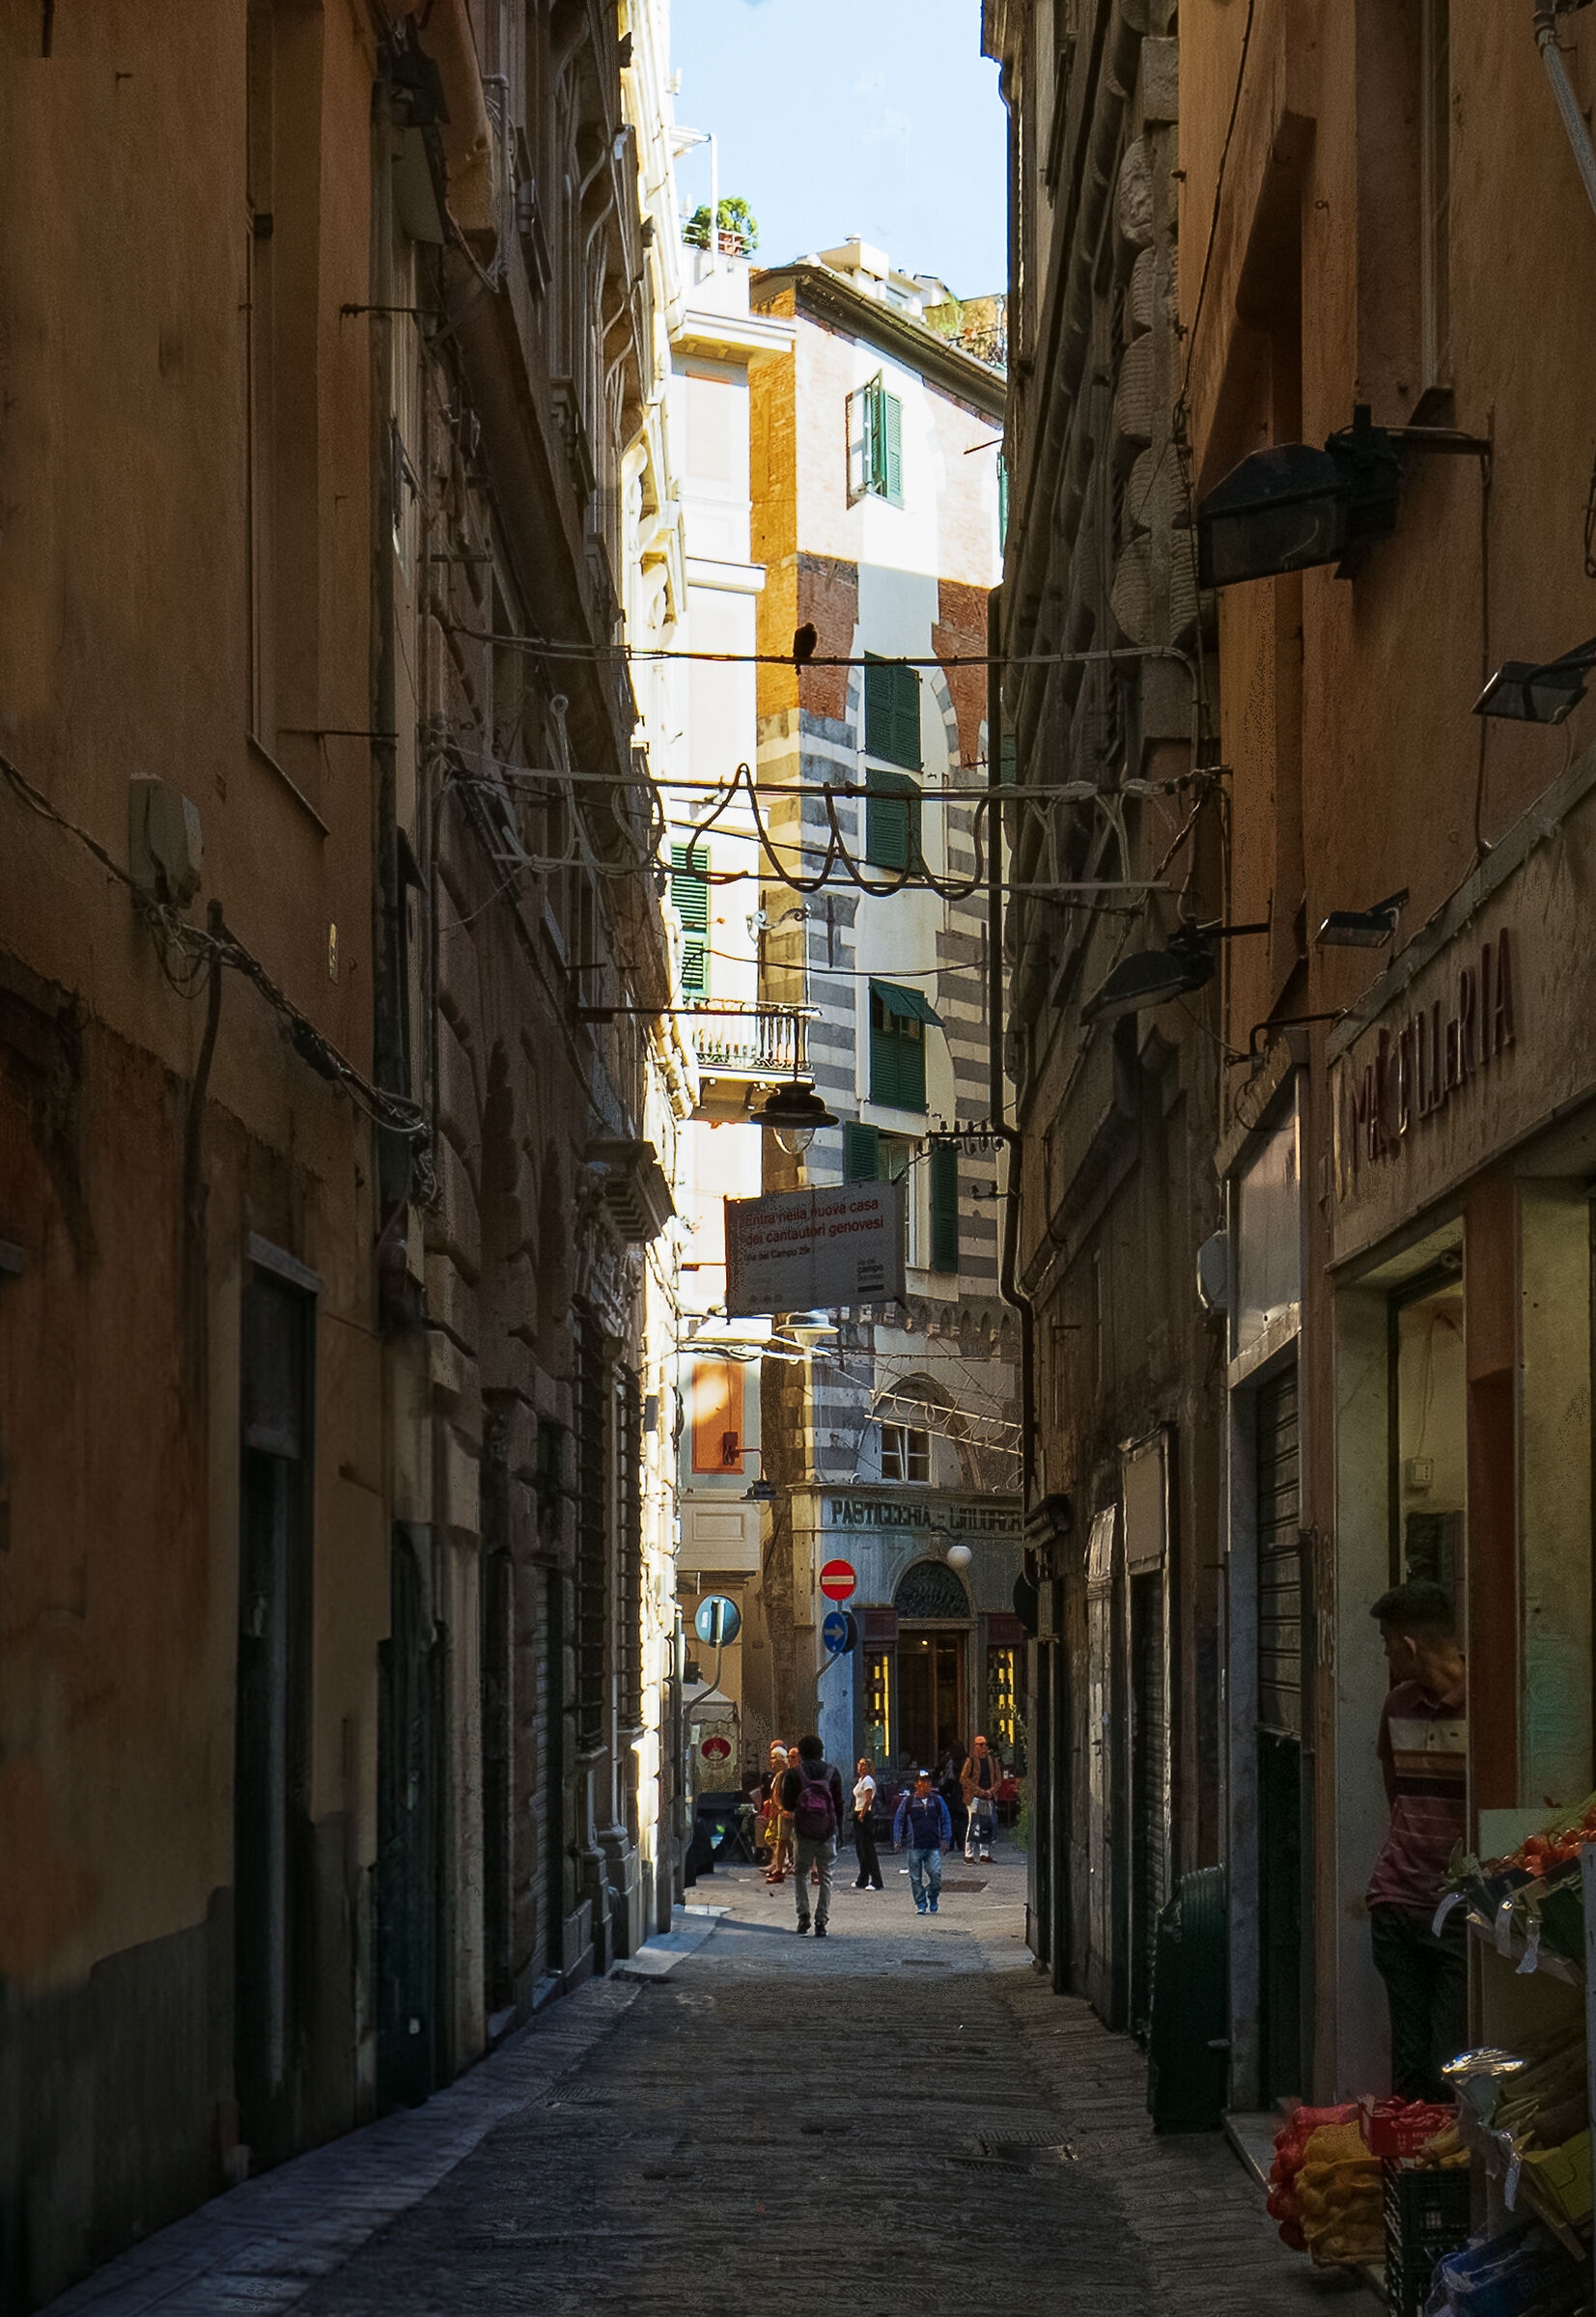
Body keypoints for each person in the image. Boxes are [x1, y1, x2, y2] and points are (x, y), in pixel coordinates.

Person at [1366, 1579, 1468, 2102]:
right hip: (1397, 1905)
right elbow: (1396, 1792)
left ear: (1408, 1644)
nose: (1384, 1650)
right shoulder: (1396, 1707)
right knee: (1409, 2062)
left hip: (1454, 1913)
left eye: (1386, 1640)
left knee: (1446, 2061)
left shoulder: (1484, 1710)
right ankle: (1409, 2174)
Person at [782, 1733, 845, 1936]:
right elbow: (838, 1804)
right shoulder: (832, 1773)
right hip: (827, 1832)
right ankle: (821, 1921)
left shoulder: (794, 1774)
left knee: (801, 1873)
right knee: (826, 1876)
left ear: (800, 1753)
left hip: (803, 1832)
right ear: (821, 1752)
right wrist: (838, 1829)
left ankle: (803, 1917)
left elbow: (787, 1804)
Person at [893, 1767, 953, 1914]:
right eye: (922, 1782)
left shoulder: (937, 1801)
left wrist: (946, 1839)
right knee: (915, 1877)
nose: (925, 1785)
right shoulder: (908, 1801)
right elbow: (899, 1821)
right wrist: (897, 1840)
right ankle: (921, 1903)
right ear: (916, 1784)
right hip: (915, 1845)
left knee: (936, 1874)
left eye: (927, 1782)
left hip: (933, 1845)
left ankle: (933, 1896)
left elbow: (946, 1820)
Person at [961, 1733, 998, 1862]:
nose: (984, 1747)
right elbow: (963, 1778)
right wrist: (978, 1790)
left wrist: (991, 1791)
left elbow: (998, 1779)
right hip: (974, 1797)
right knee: (973, 1824)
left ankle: (984, 1853)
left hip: (987, 1797)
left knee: (986, 1824)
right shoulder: (970, 1761)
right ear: (975, 1746)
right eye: (981, 1744)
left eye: (985, 1744)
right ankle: (968, 1854)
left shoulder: (992, 1761)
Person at [852, 1756, 883, 1891]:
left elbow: (868, 1799)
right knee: (861, 1848)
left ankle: (876, 1880)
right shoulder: (860, 1780)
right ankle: (862, 1878)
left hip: (864, 1815)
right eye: (859, 1765)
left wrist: (862, 1814)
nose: (861, 1767)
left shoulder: (868, 1781)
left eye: (864, 1765)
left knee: (868, 1848)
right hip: (857, 1812)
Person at [761, 1741, 789, 1883]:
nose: (771, 1761)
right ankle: (777, 1864)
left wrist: (780, 1807)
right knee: (775, 1838)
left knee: (781, 1839)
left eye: (773, 1758)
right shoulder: (777, 1775)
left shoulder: (785, 1774)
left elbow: (782, 1794)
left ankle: (782, 1864)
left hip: (784, 1812)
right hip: (779, 1811)